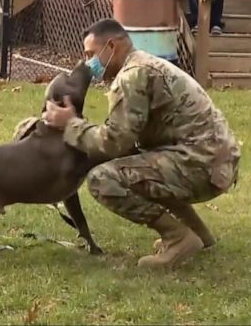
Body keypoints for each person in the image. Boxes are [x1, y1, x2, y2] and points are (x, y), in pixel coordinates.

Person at [41, 18, 241, 269]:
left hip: (202, 166)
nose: (88, 62)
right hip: (216, 161)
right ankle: (198, 233)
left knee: (102, 179)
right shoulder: (144, 63)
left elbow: (113, 143)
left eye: (91, 53)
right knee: (141, 163)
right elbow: (127, 141)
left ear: (111, 46)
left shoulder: (131, 76)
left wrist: (69, 124)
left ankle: (178, 238)